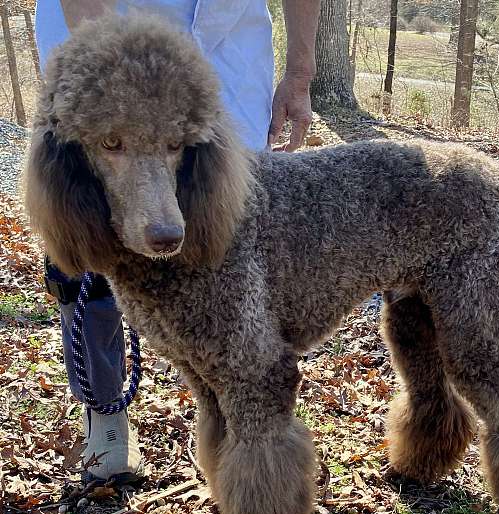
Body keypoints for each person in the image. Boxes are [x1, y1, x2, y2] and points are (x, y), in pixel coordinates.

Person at [35, 0, 320, 482]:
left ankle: (247, 421)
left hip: (230, 53)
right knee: (93, 242)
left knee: (229, 251)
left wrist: (300, 72)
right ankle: (107, 412)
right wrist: (106, 56)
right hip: (97, 44)